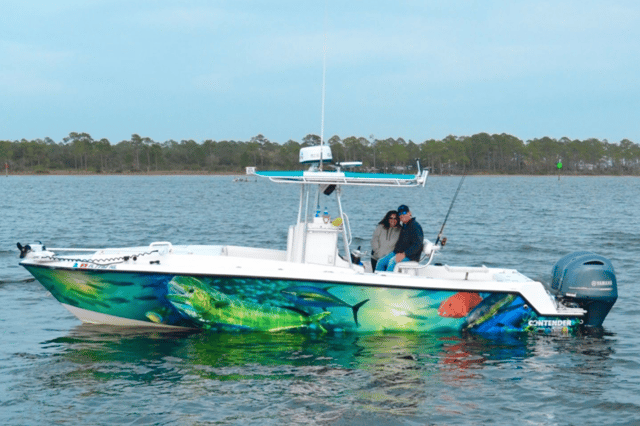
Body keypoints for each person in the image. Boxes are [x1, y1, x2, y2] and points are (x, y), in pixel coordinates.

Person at [375, 204, 424, 272]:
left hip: (411, 257)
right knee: (381, 262)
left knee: (392, 262)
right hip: (398, 253)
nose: (402, 215)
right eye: (400, 213)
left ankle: (388, 281)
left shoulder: (415, 226)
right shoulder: (405, 226)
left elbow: (417, 245)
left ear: (409, 213)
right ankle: (379, 280)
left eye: (404, 213)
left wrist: (404, 254)